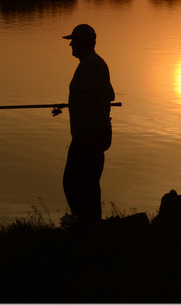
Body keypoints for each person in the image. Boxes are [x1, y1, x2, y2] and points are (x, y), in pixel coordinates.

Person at [57, 23, 114, 228]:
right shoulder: (99, 63)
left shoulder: (88, 65)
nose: (70, 44)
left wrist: (90, 130)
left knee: (71, 182)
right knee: (90, 183)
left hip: (88, 134)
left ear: (84, 42)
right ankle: (94, 224)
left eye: (74, 40)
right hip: (100, 131)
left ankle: (83, 224)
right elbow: (110, 95)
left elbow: (92, 98)